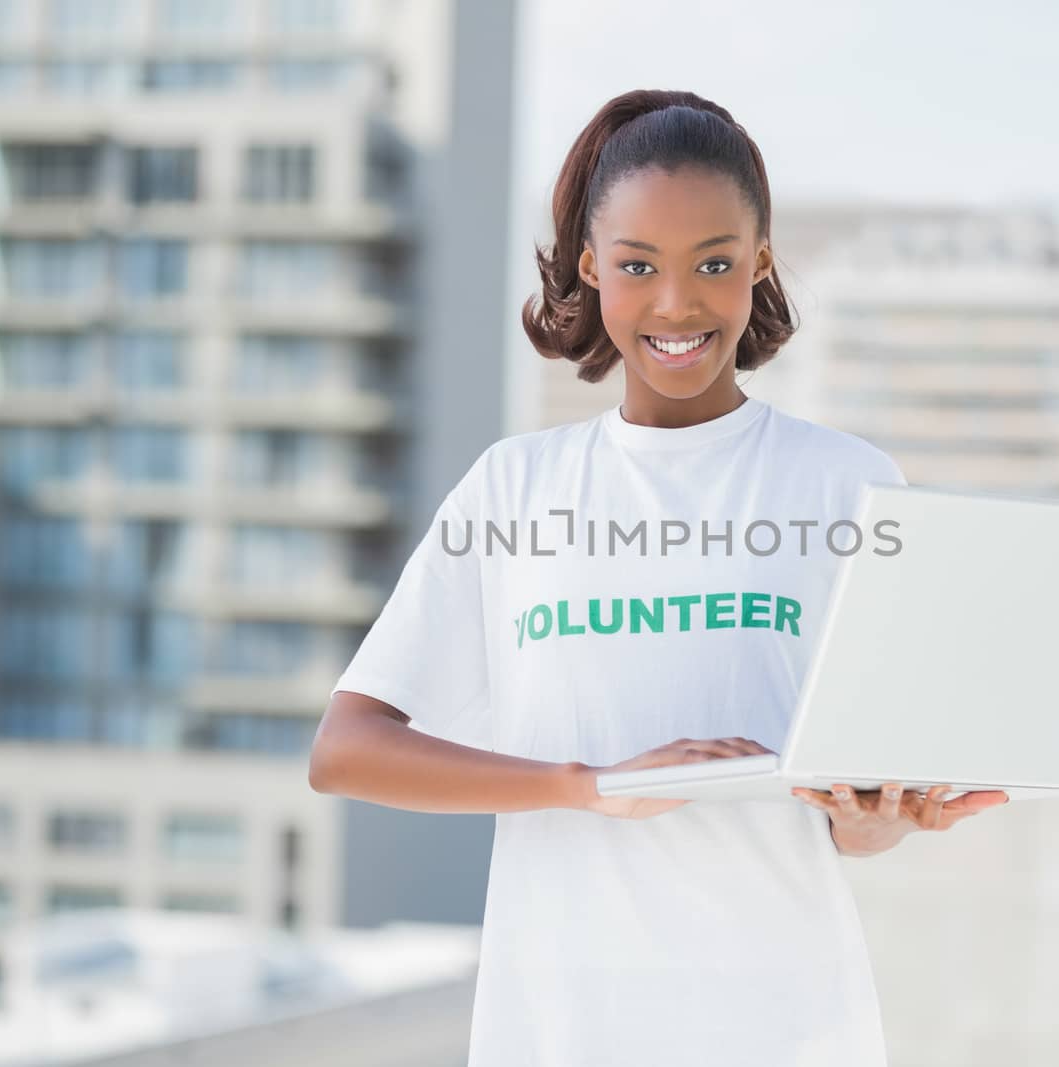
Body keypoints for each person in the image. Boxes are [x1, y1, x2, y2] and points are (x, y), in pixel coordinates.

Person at [309, 88, 1009, 1067]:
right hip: (555, 1032)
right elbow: (346, 750)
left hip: (790, 1025)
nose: (676, 304)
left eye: (714, 263)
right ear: (591, 266)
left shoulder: (848, 483)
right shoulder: (516, 487)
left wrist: (880, 816)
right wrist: (591, 783)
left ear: (760, 261)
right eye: (638, 265)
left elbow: (851, 825)